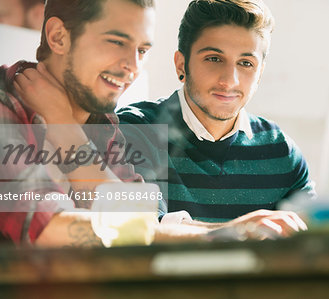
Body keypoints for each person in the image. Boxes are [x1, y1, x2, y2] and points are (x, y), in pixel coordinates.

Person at [117, 0, 316, 225]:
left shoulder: (281, 152)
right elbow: (141, 230)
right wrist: (240, 232)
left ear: (260, 73)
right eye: (214, 58)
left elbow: (315, 239)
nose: (229, 80)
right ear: (181, 65)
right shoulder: (132, 131)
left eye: (246, 63)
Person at [0, 0, 158, 247]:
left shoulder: (103, 121)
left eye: (143, 50)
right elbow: (47, 228)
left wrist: (67, 131)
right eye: (117, 42)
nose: (133, 67)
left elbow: (145, 218)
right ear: (58, 37)